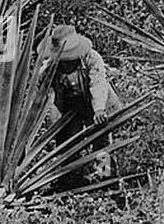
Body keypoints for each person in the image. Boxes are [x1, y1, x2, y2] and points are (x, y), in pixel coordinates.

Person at [44, 24, 120, 186]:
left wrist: (99, 109)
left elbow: (98, 84)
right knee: (68, 141)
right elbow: (46, 96)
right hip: (72, 108)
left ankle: (105, 178)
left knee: (101, 139)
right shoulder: (51, 67)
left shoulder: (91, 58)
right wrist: (52, 128)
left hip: (98, 102)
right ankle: (72, 179)